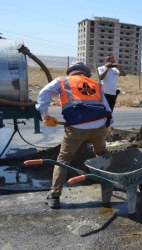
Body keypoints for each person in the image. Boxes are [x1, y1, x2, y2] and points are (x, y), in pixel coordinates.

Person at [36, 61, 113, 209]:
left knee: (63, 160)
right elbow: (106, 107)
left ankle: (54, 195)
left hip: (77, 128)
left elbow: (44, 93)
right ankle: (107, 194)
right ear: (85, 73)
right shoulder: (94, 84)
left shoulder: (62, 81)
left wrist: (45, 115)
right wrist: (106, 126)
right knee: (102, 155)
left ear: (71, 72)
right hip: (99, 126)